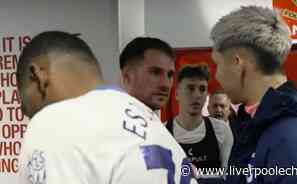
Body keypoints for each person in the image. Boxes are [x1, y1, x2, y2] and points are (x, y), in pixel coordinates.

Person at [16, 31, 197, 184]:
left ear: (38, 76)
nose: (30, 115)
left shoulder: (53, 122)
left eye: (28, 107)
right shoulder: (153, 124)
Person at [210, 6, 297, 184]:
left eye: (217, 64)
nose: (216, 75)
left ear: (237, 63)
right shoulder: (265, 122)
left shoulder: (295, 138)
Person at [165, 65, 233, 176]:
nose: (197, 95)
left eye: (202, 89)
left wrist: (199, 174)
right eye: (190, 88)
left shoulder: (221, 130)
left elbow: (229, 174)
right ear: (177, 94)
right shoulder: (162, 132)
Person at [119, 37, 175, 111]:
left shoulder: (154, 122)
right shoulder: (106, 119)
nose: (166, 85)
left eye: (169, 75)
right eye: (155, 72)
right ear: (127, 77)